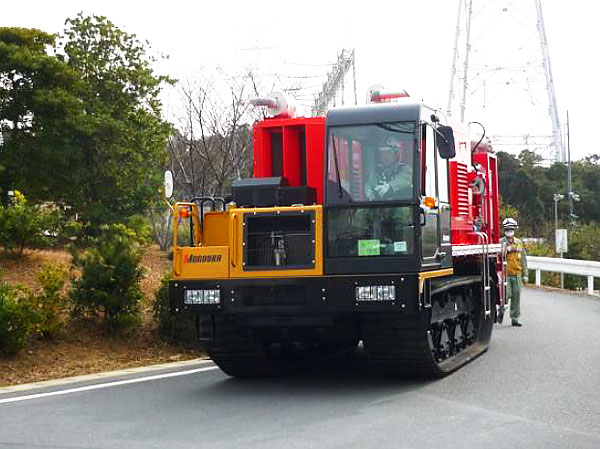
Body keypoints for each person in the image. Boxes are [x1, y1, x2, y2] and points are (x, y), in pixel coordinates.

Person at [501, 217, 528, 326]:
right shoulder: (500, 242)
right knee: (505, 295)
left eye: (511, 229)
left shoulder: (519, 243)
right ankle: (500, 311)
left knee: (516, 297)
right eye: (507, 229)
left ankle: (515, 318)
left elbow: (523, 260)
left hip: (517, 274)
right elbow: (498, 257)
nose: (509, 231)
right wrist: (506, 250)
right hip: (505, 274)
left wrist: (525, 275)